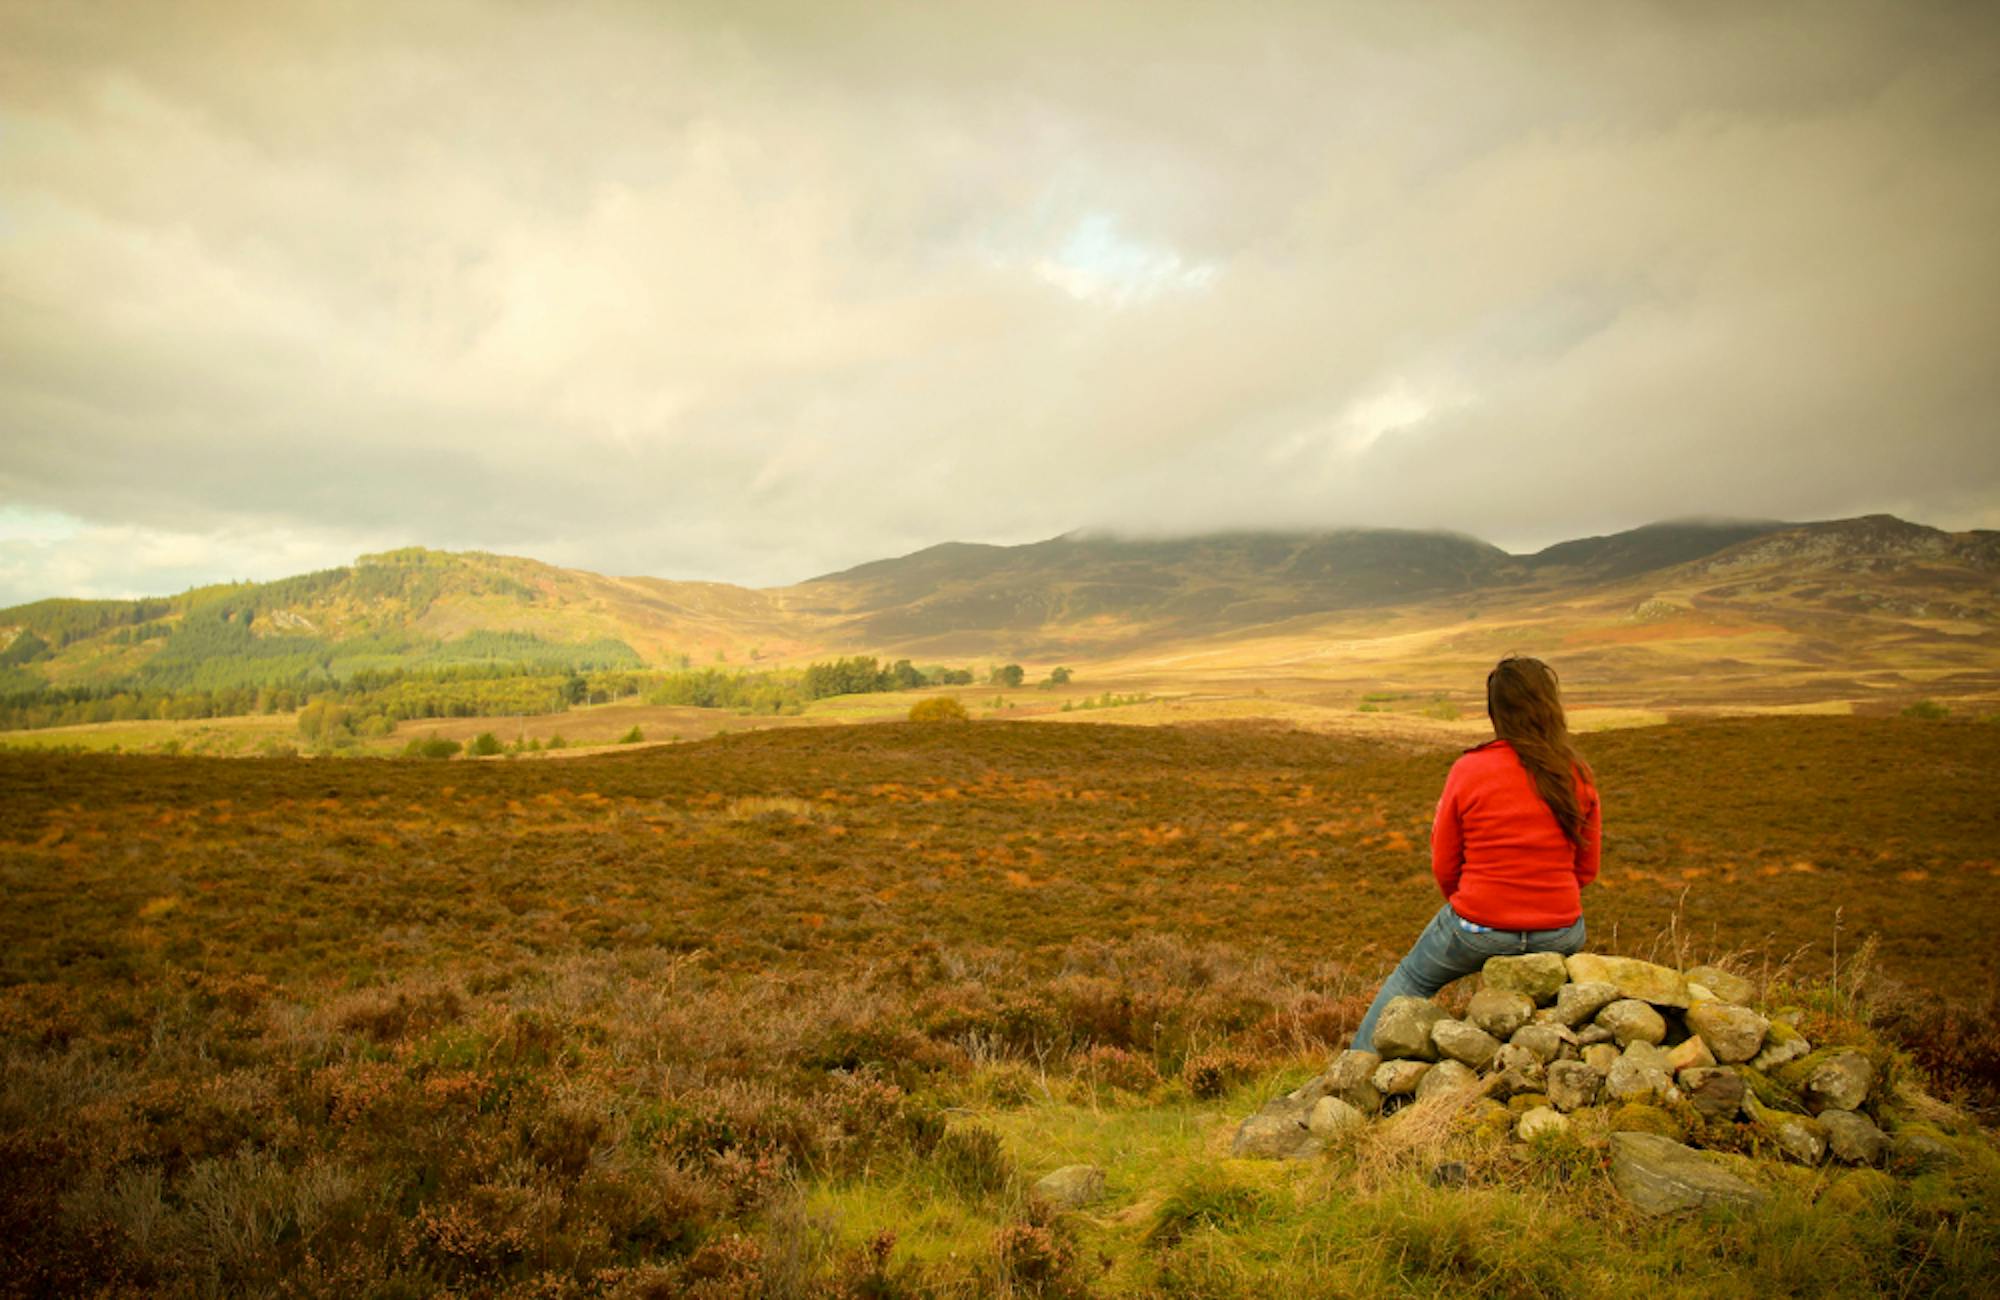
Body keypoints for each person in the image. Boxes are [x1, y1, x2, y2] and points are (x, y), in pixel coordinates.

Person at [1350, 655, 1601, 1052]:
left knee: (1411, 979)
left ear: (1495, 711)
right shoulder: (1575, 772)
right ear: (1550, 706)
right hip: (1560, 930)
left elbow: (1444, 863)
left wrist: (1475, 905)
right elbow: (1586, 869)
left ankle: (1356, 1068)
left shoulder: (1470, 769)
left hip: (1478, 927)